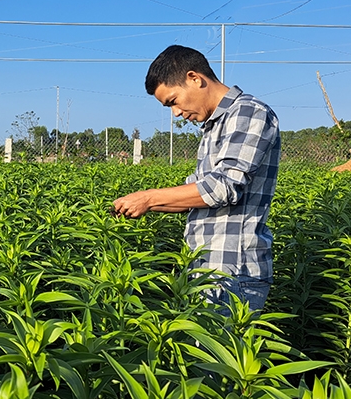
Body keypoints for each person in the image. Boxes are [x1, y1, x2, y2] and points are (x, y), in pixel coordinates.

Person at [112, 45, 281, 310]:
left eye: (173, 101)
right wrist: (140, 205)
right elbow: (197, 193)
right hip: (206, 270)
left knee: (220, 350)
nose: (176, 113)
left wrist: (149, 198)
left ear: (195, 78)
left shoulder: (248, 113)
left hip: (233, 273)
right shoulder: (214, 125)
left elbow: (223, 187)